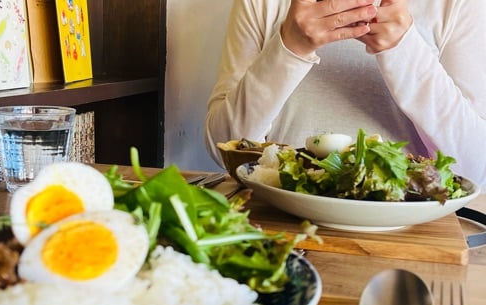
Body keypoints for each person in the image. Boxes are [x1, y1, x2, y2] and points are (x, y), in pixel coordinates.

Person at [205, 0, 486, 188]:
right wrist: (290, 47)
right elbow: (224, 146)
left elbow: (476, 167)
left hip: (412, 229)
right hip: (280, 217)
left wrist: (404, 49)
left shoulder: (457, 5)